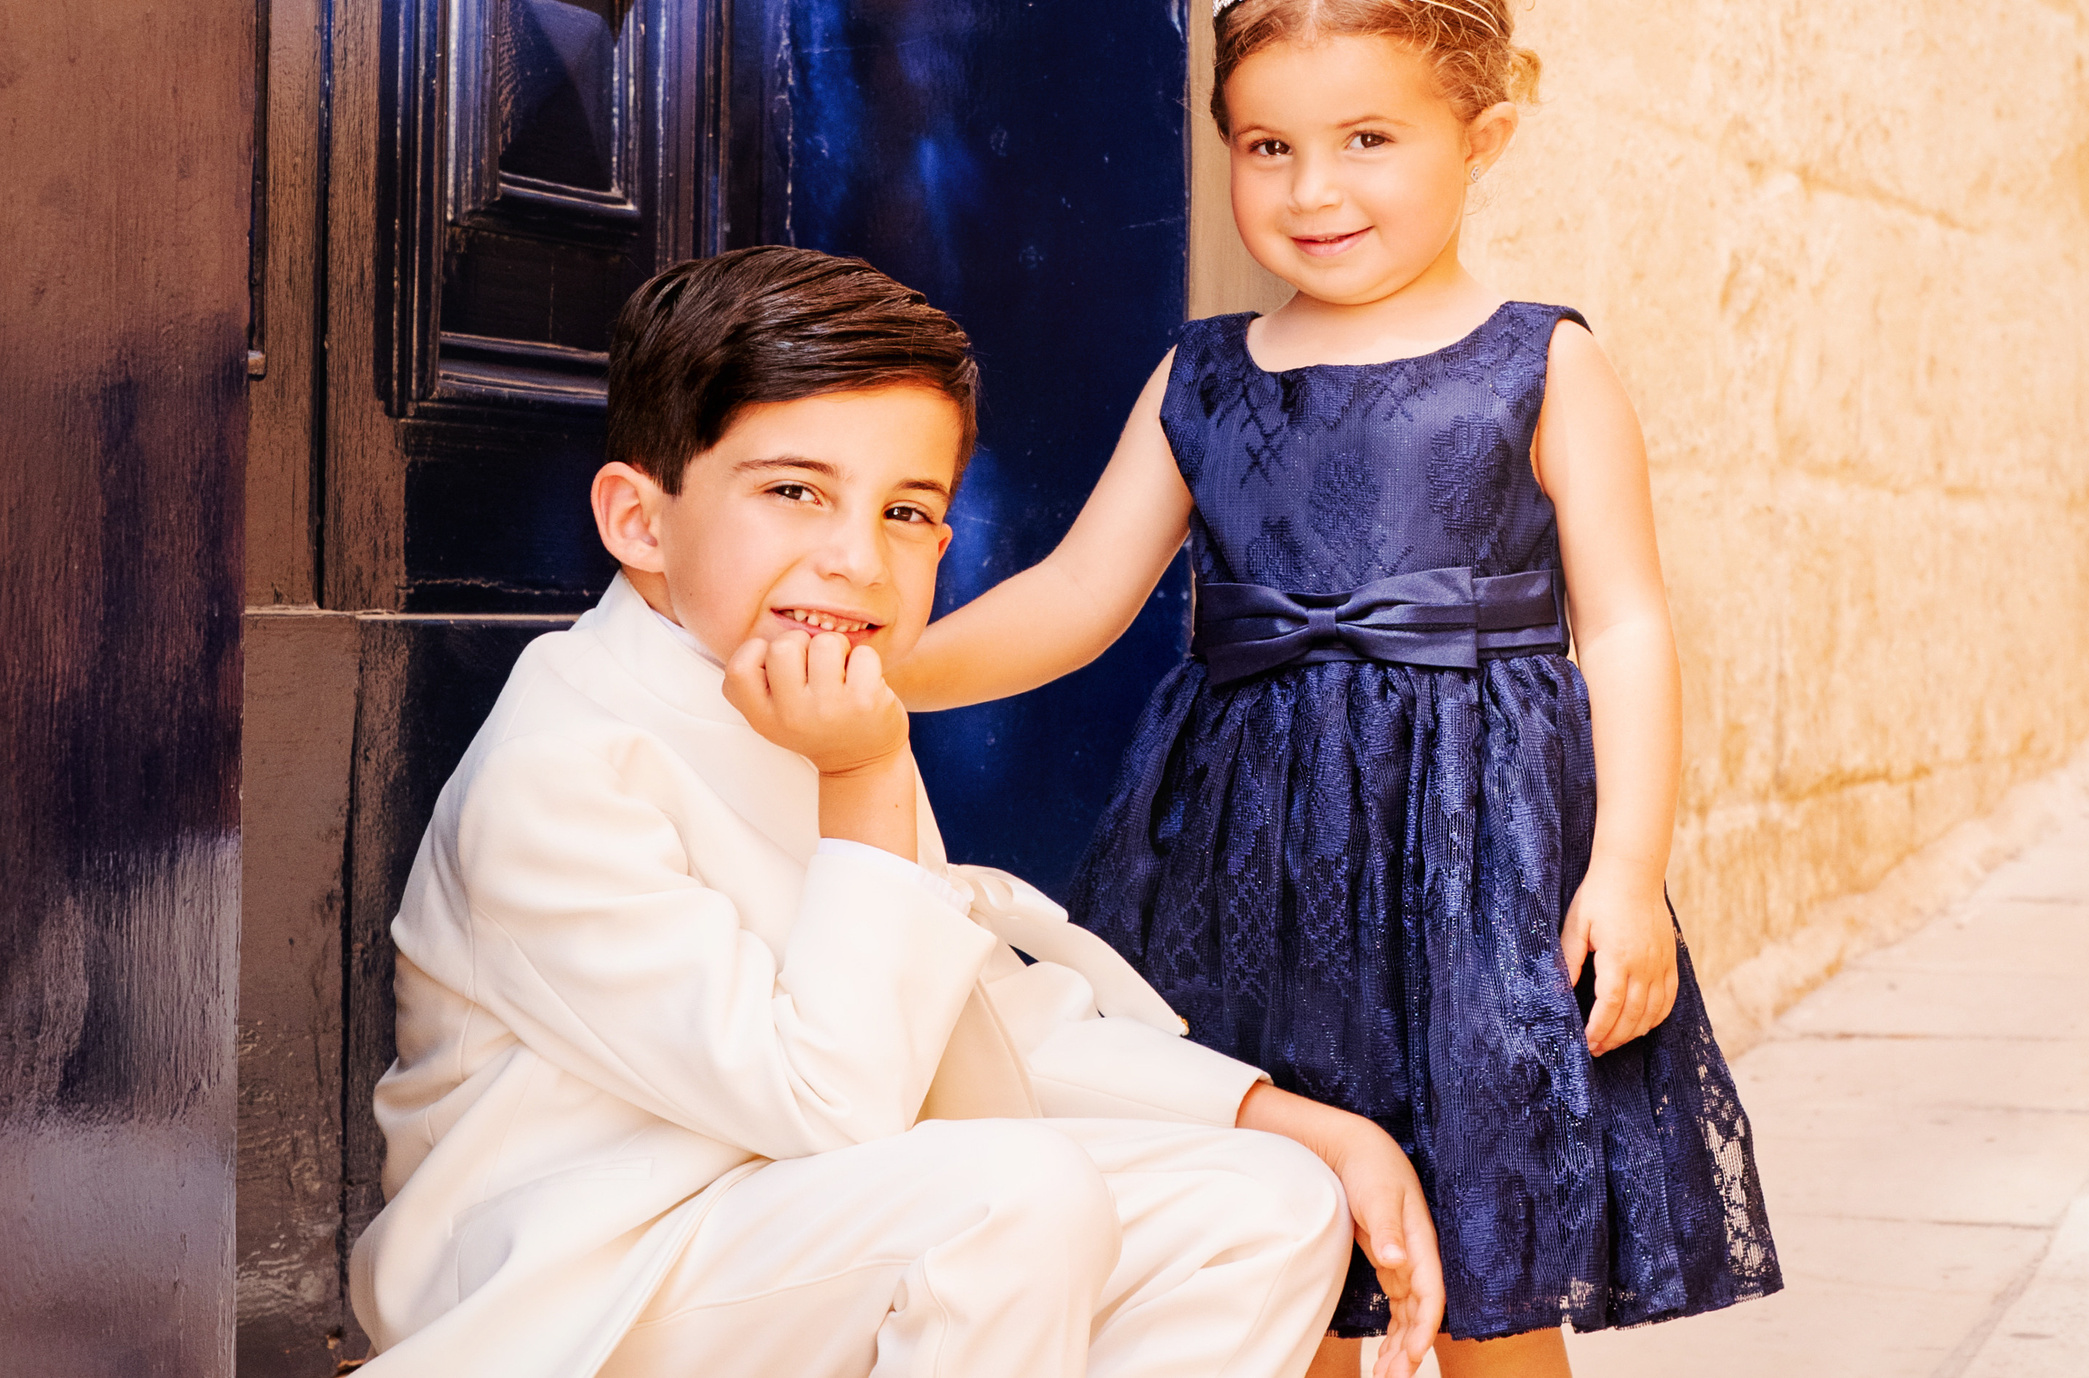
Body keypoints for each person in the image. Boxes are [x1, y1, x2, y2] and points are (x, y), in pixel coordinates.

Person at [892, 0, 1783, 1375]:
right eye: (1268, 146)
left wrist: (1626, 870)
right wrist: (893, 673)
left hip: (1478, 868)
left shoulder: (1539, 362)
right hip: (1245, 860)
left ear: (1482, 136)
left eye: (1371, 138)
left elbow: (1625, 621)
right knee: (1284, 1240)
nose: (1315, 188)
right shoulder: (1205, 380)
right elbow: (1075, 594)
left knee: (1492, 1267)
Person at [349, 246, 1446, 1378]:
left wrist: (1290, 1118)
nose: (856, 559)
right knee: (1014, 1195)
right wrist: (865, 778)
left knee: (1265, 1204)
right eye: (793, 490)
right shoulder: (564, 765)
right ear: (638, 520)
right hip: (582, 1291)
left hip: (790, 1235)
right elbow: (832, 1097)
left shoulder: (815, 702)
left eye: (907, 510)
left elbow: (963, 1017)